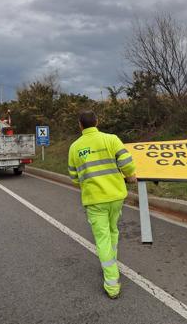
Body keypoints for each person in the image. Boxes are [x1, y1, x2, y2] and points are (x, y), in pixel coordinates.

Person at [68, 110, 137, 299]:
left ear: (80, 125)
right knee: (113, 231)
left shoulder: (75, 147)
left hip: (95, 200)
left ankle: (112, 284)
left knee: (103, 239)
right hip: (116, 197)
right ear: (97, 122)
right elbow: (127, 163)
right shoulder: (112, 139)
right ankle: (112, 263)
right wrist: (130, 176)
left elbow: (74, 177)